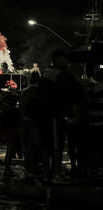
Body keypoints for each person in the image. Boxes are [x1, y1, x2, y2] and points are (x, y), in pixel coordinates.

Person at [39, 49, 85, 184]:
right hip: (55, 116)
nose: (67, 63)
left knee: (47, 145)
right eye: (65, 60)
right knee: (56, 145)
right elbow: (76, 93)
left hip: (46, 115)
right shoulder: (60, 75)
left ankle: (47, 173)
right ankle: (56, 174)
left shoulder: (46, 73)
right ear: (58, 59)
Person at [20, 71, 42, 178]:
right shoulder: (41, 91)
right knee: (37, 145)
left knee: (28, 146)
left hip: (27, 122)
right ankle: (36, 166)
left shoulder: (25, 92)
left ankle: (29, 167)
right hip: (38, 121)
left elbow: (22, 109)